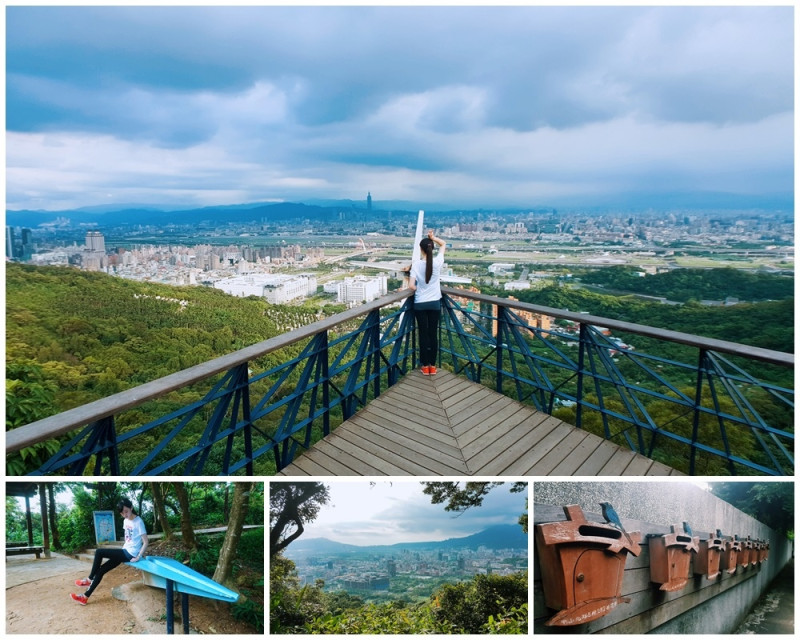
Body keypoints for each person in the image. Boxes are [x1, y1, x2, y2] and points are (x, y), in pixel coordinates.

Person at [70, 498, 149, 605]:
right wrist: (122, 550)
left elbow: (145, 542)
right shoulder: (125, 521)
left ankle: (89, 579)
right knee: (101, 570)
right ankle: (85, 597)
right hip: (124, 551)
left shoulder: (139, 522)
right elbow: (128, 539)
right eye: (122, 513)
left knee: (99, 552)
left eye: (126, 511)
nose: (125, 514)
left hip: (131, 554)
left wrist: (138, 556)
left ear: (131, 508)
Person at [408, 230, 446, 375]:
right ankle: (433, 366)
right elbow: (443, 244)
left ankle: (424, 366)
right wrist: (433, 237)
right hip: (435, 303)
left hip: (420, 304)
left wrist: (419, 288)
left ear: (421, 249)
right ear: (432, 248)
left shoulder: (416, 265)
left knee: (423, 334)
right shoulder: (437, 262)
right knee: (433, 334)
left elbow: (411, 286)